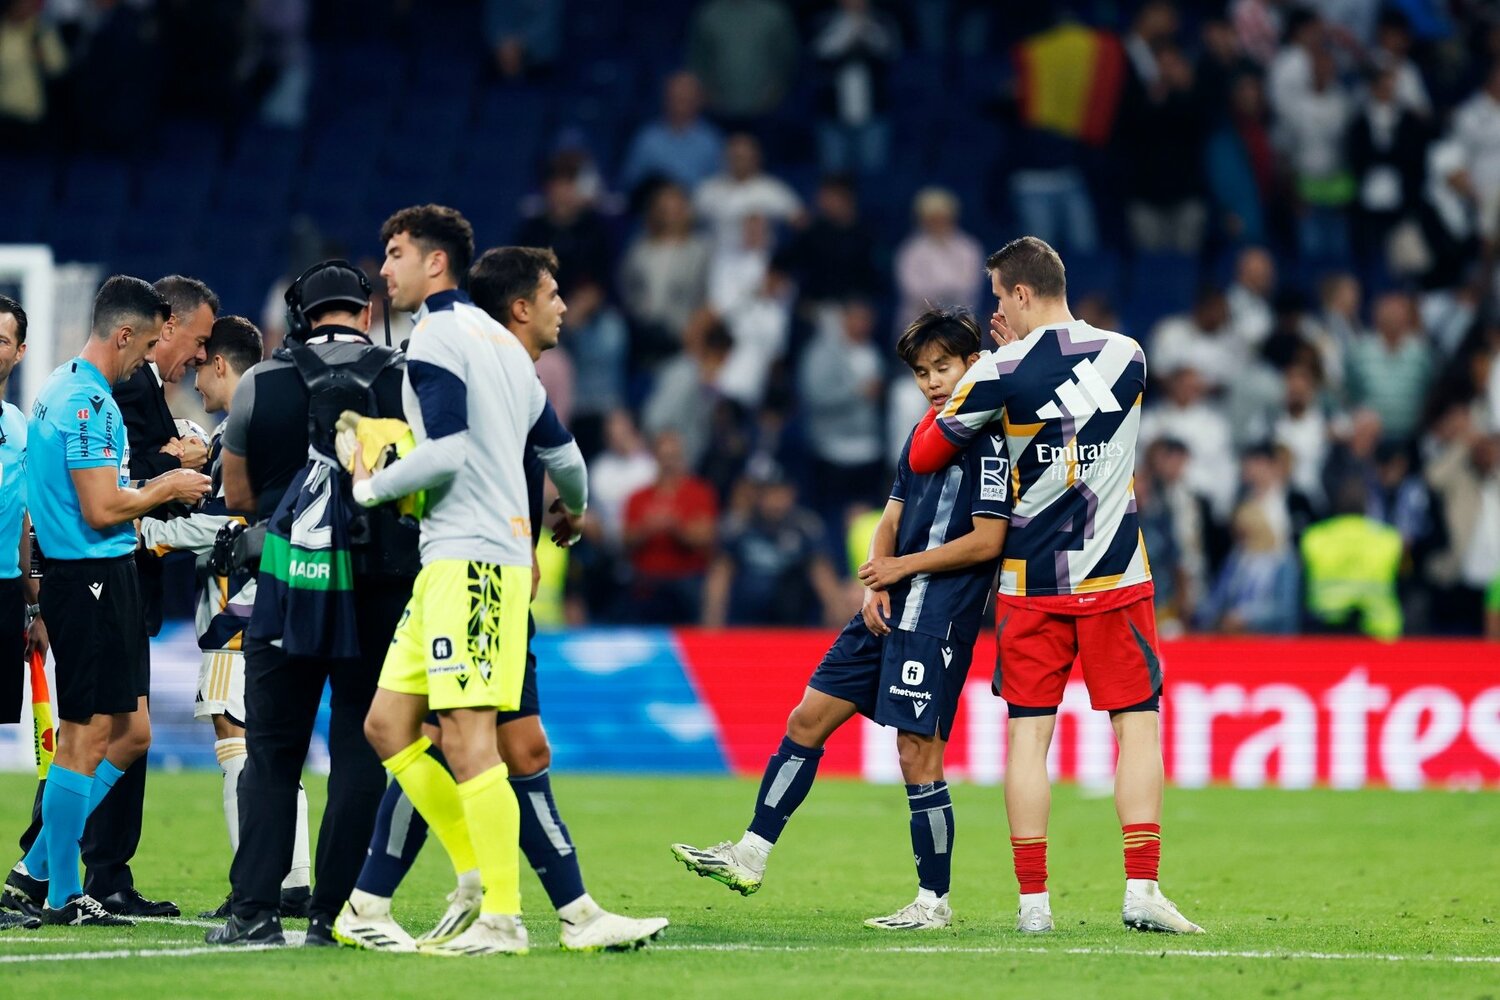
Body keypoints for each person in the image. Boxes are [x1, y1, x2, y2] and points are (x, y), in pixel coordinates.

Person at [335, 246, 666, 953]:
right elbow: (468, 458)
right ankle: (493, 902)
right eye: (552, 294)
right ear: (519, 307)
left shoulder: (507, 370)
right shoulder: (480, 362)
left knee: (498, 741)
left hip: (488, 572)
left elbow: (550, 461)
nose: (563, 307)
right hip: (475, 573)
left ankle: (525, 905)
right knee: (449, 737)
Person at [671, 307, 1009, 931]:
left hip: (936, 616)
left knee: (916, 754)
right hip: (888, 606)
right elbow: (891, 515)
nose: (933, 382)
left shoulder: (990, 441)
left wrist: (901, 567)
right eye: (922, 372)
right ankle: (750, 854)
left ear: (973, 365)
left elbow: (988, 540)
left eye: (944, 368)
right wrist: (875, 582)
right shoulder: (923, 433)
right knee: (807, 718)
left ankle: (932, 902)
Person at [907, 236, 1203, 935]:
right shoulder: (1128, 355)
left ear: (1019, 293)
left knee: (1028, 741)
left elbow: (924, 454)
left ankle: (1034, 906)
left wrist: (989, 371)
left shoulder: (998, 370)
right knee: (1137, 729)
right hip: (1115, 577)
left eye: (997, 296)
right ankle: (1142, 889)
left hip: (1029, 584)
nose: (994, 310)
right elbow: (1074, 400)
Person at [350, 205, 553, 957]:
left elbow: (447, 453)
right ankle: (471, 872)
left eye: (396, 252)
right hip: (451, 560)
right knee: (387, 725)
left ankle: (503, 916)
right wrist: (567, 510)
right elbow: (564, 457)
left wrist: (370, 485)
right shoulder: (500, 345)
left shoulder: (439, 335)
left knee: (470, 739)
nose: (385, 268)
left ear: (436, 262)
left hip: (471, 561)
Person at [207, 260, 415, 948]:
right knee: (360, 748)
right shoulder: (403, 377)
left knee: (272, 751)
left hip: (288, 577)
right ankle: (335, 917)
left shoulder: (260, 381)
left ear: (300, 315)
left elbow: (238, 496)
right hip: (377, 589)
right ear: (366, 312)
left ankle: (254, 914)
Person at [4, 276, 210, 926]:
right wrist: (168, 484)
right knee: (86, 736)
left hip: (102, 576)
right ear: (123, 335)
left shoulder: (62, 389)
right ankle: (64, 893)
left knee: (131, 732)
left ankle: (39, 867)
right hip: (89, 577)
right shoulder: (86, 402)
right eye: (146, 345)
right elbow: (100, 507)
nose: (147, 358)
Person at [135, 315, 312, 920]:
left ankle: (254, 881)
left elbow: (232, 521)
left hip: (238, 609)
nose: (195, 382)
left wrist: (148, 528)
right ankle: (293, 878)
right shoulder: (274, 427)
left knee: (234, 739)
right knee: (271, 742)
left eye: (201, 368)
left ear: (219, 364)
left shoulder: (242, 430)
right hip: (282, 598)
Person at [0, 295, 44, 932]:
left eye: (1, 339)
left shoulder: (18, 426)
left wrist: (35, 605)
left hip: (6, 593)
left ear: (19, 351)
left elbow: (25, 523)